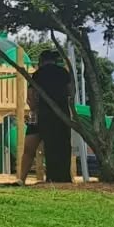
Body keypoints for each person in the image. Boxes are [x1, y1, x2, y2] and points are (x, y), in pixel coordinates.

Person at [19, 50, 74, 185]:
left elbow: (30, 96)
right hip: (61, 114)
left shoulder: (38, 74)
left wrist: (33, 110)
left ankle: (21, 179)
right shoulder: (63, 73)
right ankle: (62, 177)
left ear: (41, 61)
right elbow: (70, 91)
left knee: (29, 149)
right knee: (61, 147)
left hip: (41, 114)